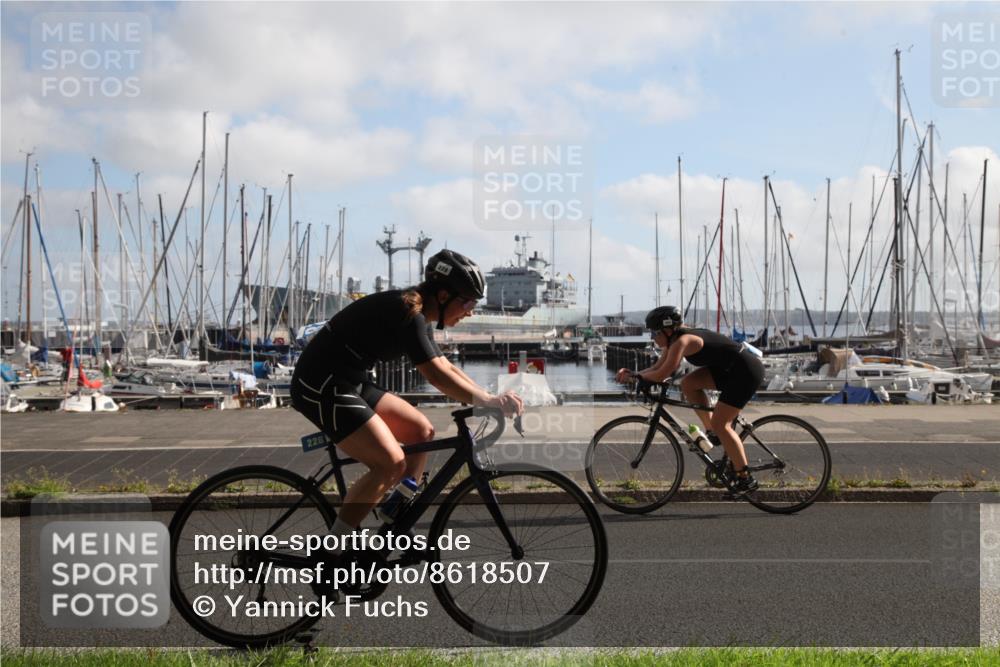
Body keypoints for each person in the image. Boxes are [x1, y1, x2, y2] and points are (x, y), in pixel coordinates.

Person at [291, 249, 524, 546]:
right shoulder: (407, 312)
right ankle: (333, 552)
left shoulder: (419, 315)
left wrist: (488, 396)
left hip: (350, 380)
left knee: (421, 432)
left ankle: (395, 520)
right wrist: (488, 402)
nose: (470, 311)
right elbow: (436, 376)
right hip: (319, 383)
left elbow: (446, 365)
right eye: (466, 302)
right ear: (442, 296)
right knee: (390, 463)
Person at [615, 306, 765, 493]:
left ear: (668, 330)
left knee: (722, 423)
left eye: (654, 332)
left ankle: (745, 478)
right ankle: (712, 431)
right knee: (689, 384)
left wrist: (637, 378)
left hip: (746, 372)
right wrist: (635, 375)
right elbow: (657, 367)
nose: (652, 337)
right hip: (729, 370)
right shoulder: (673, 342)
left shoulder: (682, 341)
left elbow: (662, 374)